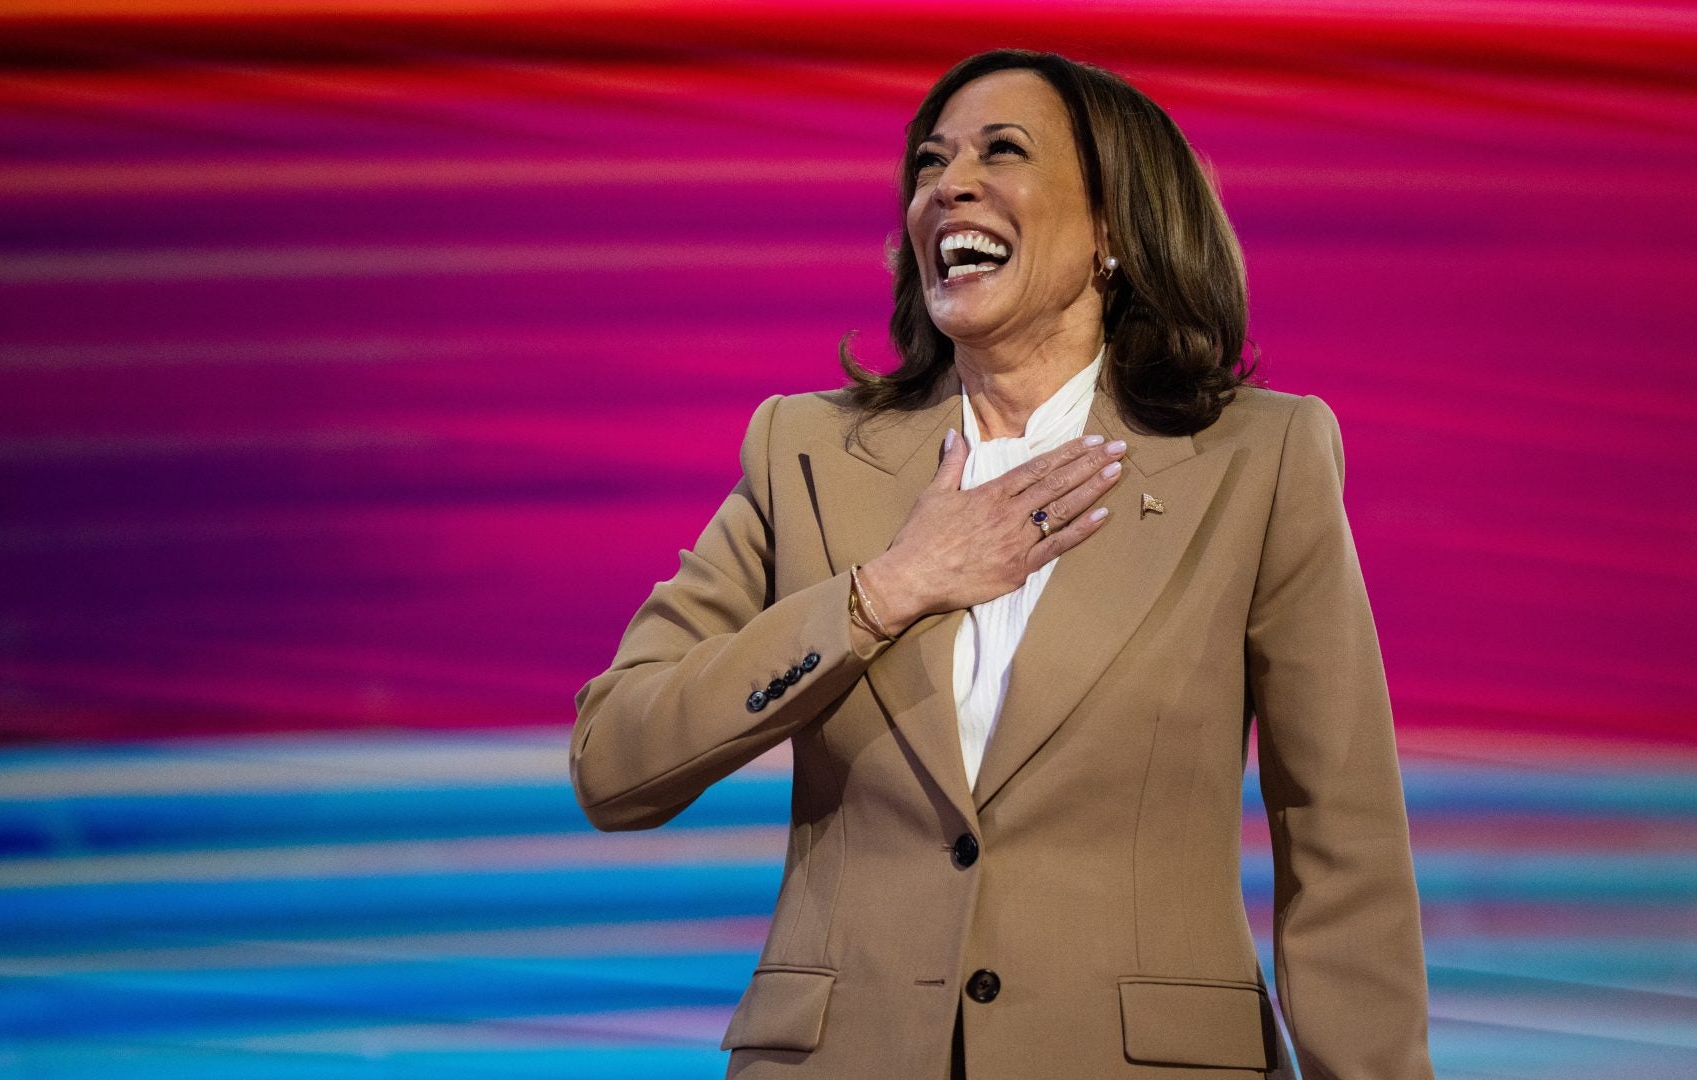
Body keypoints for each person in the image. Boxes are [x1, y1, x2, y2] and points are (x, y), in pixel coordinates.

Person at [570, 48, 1434, 1080]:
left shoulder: (1260, 460)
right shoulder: (802, 452)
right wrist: (882, 593)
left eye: (1002, 152)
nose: (949, 186)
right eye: (930, 166)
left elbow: (1340, 841)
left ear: (1114, 225)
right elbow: (613, 761)